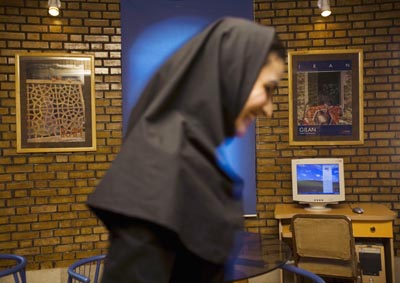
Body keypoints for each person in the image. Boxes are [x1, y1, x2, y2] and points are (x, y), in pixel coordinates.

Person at [87, 17, 286, 283]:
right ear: (232, 72)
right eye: (268, 88)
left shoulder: (191, 156)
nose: (269, 110)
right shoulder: (160, 169)